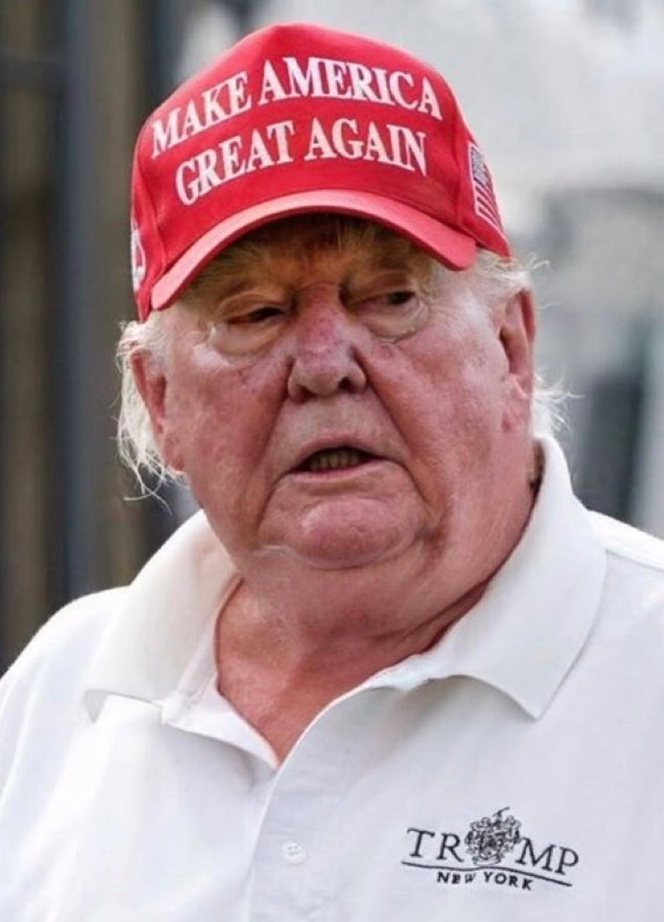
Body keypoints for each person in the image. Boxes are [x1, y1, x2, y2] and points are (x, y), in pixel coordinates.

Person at [1, 22, 663, 922]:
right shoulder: (61, 698)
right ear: (161, 399)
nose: (322, 364)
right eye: (255, 313)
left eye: (389, 297)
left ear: (510, 347)